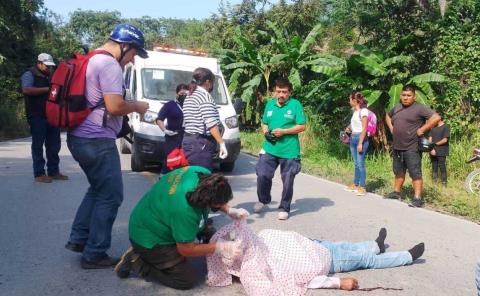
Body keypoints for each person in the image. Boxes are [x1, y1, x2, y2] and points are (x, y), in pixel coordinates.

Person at [64, 24, 149, 269]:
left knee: (97, 189)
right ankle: (95, 253)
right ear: (125, 46)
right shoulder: (110, 65)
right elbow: (114, 107)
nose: (132, 60)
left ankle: (79, 239)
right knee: (111, 196)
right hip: (96, 140)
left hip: (80, 137)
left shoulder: (93, 59)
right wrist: (136, 106)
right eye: (134, 54)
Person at [114, 166, 249, 290]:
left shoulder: (204, 176)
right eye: (219, 204)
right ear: (205, 201)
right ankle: (138, 262)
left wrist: (229, 210)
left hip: (154, 216)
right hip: (148, 237)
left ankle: (187, 238)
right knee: (185, 280)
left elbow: (214, 197)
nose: (223, 205)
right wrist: (222, 247)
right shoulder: (184, 211)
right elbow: (185, 250)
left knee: (206, 229)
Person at [207, 223, 425, 293]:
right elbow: (301, 280)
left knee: (347, 246)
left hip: (316, 245)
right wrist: (338, 282)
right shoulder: (258, 269)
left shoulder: (260, 237)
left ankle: (375, 245)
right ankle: (406, 256)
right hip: (327, 261)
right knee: (366, 260)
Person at [253, 77, 306, 220]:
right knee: (262, 174)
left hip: (289, 151)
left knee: (288, 179)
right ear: (274, 92)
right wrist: (265, 133)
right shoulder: (270, 104)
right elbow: (264, 123)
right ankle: (263, 200)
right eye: (278, 91)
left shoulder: (295, 105)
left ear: (290, 92)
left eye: (284, 92)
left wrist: (284, 131)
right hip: (270, 148)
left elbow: (302, 126)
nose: (281, 94)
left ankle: (284, 207)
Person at [385, 84, 440, 208]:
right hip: (398, 147)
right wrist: (391, 127)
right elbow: (387, 116)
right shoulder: (397, 108)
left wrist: (423, 129)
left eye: (409, 96)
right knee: (398, 171)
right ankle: (396, 192)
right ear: (400, 96)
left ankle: (417, 198)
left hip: (412, 147)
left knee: (415, 173)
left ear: (414, 97)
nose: (406, 98)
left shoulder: (420, 108)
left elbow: (436, 118)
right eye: (403, 95)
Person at [21, 53, 68, 183]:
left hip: (51, 115)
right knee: (38, 145)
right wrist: (47, 89)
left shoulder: (50, 76)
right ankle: (39, 173)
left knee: (54, 144)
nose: (49, 69)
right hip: (36, 115)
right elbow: (27, 90)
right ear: (39, 63)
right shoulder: (29, 74)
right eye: (47, 66)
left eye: (50, 66)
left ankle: (54, 172)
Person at [182, 68, 228, 170]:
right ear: (207, 82)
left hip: (190, 141)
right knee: (202, 178)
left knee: (193, 177)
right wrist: (221, 143)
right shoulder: (204, 97)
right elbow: (211, 123)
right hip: (200, 143)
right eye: (212, 82)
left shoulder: (191, 95)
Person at [156, 83, 189, 173]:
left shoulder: (190, 105)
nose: (184, 96)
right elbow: (159, 119)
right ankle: (164, 178)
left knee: (184, 161)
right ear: (177, 94)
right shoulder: (170, 105)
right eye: (181, 94)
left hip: (186, 137)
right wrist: (165, 130)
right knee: (170, 159)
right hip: (172, 136)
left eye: (186, 94)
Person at [344, 92, 370, 196]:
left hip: (361, 138)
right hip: (353, 137)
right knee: (356, 163)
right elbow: (356, 124)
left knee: (360, 163)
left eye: (350, 99)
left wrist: (360, 143)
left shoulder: (364, 111)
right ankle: (355, 184)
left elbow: (364, 128)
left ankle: (362, 187)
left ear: (354, 101)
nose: (349, 101)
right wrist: (349, 128)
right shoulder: (355, 112)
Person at [428, 113, 450, 186]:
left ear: (440, 118)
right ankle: (434, 183)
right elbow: (430, 139)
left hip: (442, 150)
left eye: (435, 117)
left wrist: (434, 145)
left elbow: (445, 140)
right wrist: (431, 148)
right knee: (434, 167)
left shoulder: (446, 126)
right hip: (432, 150)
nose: (433, 118)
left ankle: (444, 183)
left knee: (442, 166)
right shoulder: (433, 127)